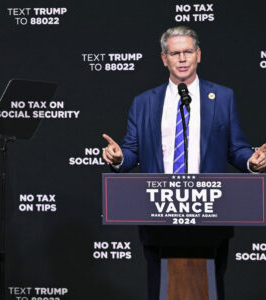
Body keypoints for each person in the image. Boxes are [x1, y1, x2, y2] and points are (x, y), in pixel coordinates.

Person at [102, 26, 266, 300]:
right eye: (174, 53)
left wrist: (251, 161)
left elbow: (235, 148)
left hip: (211, 213)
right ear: (164, 58)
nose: (182, 58)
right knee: (160, 288)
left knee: (212, 287)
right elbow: (131, 152)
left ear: (198, 55)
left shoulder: (223, 98)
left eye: (187, 51)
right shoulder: (143, 102)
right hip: (159, 214)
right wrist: (119, 158)